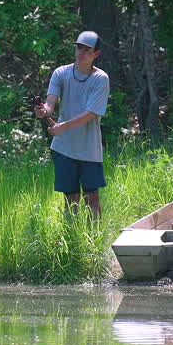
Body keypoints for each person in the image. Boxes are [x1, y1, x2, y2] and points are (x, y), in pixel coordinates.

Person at [35, 31, 110, 218]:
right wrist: (44, 110)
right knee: (70, 197)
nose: (81, 53)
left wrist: (62, 127)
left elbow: (91, 113)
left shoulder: (100, 78)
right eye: (79, 48)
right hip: (64, 147)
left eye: (87, 49)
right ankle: (72, 236)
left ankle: (96, 238)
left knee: (92, 196)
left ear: (96, 54)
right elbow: (50, 103)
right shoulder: (60, 72)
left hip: (89, 148)